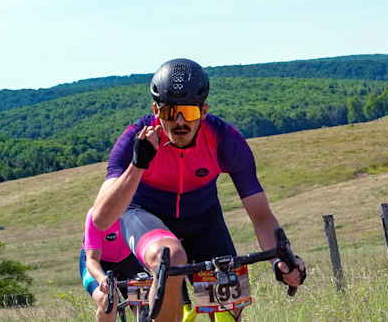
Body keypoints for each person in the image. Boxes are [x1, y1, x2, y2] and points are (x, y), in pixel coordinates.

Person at [91, 58, 306, 322]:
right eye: (170, 112)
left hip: (202, 217)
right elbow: (101, 219)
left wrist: (281, 260)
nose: (179, 122)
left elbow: (261, 217)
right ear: (156, 111)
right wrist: (138, 165)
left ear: (203, 111)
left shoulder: (224, 141)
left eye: (189, 113)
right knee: (170, 258)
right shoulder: (136, 139)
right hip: (144, 213)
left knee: (227, 294)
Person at [79, 207, 144, 322]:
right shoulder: (97, 215)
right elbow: (92, 259)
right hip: (98, 263)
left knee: (143, 303)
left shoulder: (136, 210)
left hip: (128, 262)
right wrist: (101, 278)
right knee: (107, 301)